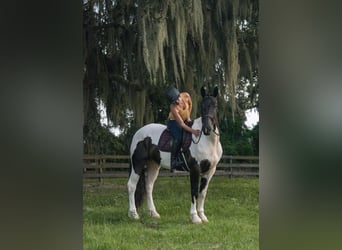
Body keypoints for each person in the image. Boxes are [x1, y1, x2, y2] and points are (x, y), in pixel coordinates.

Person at [165, 86, 201, 171]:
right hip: (174, 122)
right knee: (179, 138)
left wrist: (188, 117)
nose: (177, 102)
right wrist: (193, 131)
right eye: (174, 101)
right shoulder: (173, 107)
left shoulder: (186, 95)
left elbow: (191, 104)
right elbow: (181, 124)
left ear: (179, 95)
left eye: (177, 99)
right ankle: (173, 161)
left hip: (184, 118)